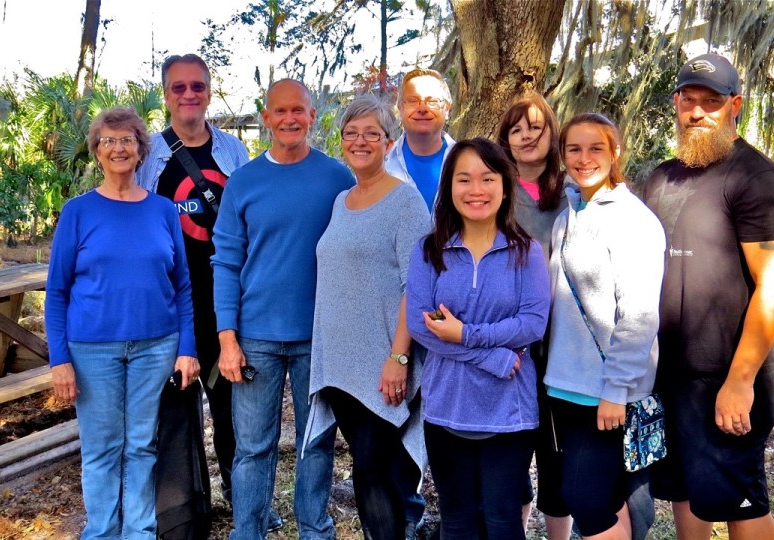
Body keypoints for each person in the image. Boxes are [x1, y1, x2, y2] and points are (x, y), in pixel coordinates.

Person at [643, 53, 774, 540]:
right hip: (666, 372)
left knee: (739, 500)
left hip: (725, 376)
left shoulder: (758, 179)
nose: (697, 112)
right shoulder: (662, 176)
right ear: (675, 103)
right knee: (686, 491)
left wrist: (740, 380)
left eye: (710, 102)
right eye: (688, 100)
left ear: (735, 106)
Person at [46, 106, 199, 539]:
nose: (119, 148)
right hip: (92, 350)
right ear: (97, 150)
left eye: (128, 140)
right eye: (109, 140)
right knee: (101, 449)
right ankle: (101, 532)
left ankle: (139, 531)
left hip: (156, 346)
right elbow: (56, 292)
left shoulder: (163, 211)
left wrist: (187, 348)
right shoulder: (78, 212)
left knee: (141, 446)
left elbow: (183, 286)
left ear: (140, 149)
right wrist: (59, 360)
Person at [212, 78, 355, 540]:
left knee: (317, 443)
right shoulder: (244, 181)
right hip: (255, 338)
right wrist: (227, 339)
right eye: (280, 111)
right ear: (267, 116)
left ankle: (315, 529)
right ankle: (247, 531)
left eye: (299, 110)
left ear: (313, 116)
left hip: (319, 334)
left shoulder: (338, 177)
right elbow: (227, 262)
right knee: (253, 447)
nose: (290, 119)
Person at [135, 52, 268, 532]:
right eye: (178, 87)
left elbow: (255, 220)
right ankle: (183, 511)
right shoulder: (148, 155)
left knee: (234, 407)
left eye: (197, 86)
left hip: (230, 301)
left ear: (208, 91)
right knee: (175, 407)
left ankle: (244, 496)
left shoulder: (234, 153)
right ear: (166, 93)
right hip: (170, 304)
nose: (189, 95)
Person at [405, 138, 551, 539]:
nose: (476, 190)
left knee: (503, 522)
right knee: (457, 520)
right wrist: (493, 358)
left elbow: (532, 323)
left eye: (487, 178)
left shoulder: (527, 252)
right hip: (446, 408)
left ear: (505, 186)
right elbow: (421, 326)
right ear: (449, 187)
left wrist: (465, 334)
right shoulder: (430, 251)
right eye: (464, 179)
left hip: (509, 414)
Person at [305, 94, 431, 540]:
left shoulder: (406, 203)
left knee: (374, 474)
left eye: (371, 134)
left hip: (383, 366)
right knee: (370, 470)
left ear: (389, 141)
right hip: (341, 366)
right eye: (351, 133)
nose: (360, 141)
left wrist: (398, 358)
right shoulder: (343, 200)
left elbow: (415, 287)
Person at [545, 113, 666, 539]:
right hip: (563, 384)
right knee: (608, 497)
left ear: (616, 152)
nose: (584, 158)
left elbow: (639, 313)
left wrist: (617, 389)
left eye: (596, 147)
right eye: (573, 149)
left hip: (606, 390)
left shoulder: (633, 220)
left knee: (588, 500)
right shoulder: (569, 214)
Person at [494, 92, 571, 537]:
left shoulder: (573, 194)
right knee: (511, 453)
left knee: (556, 454)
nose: (525, 136)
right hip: (508, 342)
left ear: (551, 133)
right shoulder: (493, 191)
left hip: (561, 344)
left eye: (535, 127)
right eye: (516, 129)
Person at [386, 68, 457, 210]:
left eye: (432, 101)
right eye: (412, 101)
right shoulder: (381, 164)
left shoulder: (467, 161)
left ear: (447, 109)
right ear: (400, 109)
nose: (422, 108)